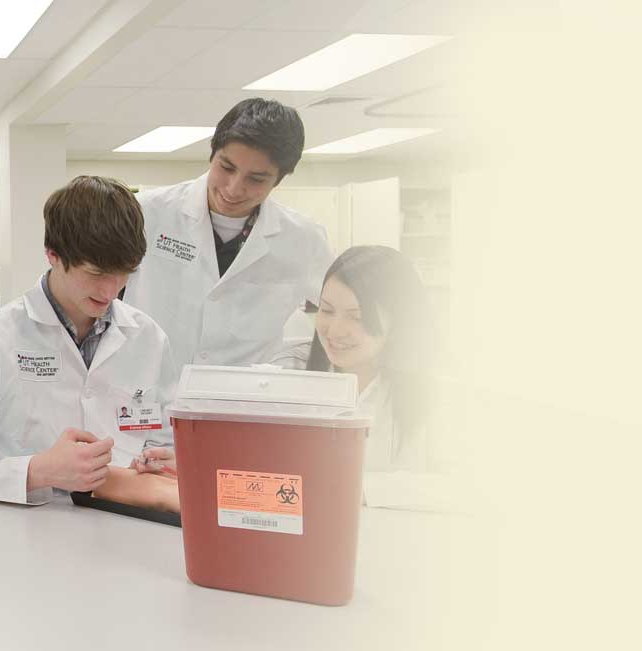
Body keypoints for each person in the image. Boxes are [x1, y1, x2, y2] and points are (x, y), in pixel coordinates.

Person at [0, 177, 182, 509]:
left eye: (123, 273)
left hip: (124, 534)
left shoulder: (149, 340)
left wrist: (164, 464)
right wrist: (36, 472)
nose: (110, 291)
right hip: (27, 539)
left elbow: (164, 444)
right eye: (95, 273)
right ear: (53, 255)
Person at [123, 97, 332, 368]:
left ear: (280, 179)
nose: (234, 189)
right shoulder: (146, 213)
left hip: (242, 400)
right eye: (226, 167)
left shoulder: (304, 239)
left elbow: (345, 312)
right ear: (212, 155)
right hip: (148, 392)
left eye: (256, 179)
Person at [273, 245, 436, 476]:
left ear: (400, 321)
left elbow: (453, 489)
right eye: (327, 311)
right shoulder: (290, 371)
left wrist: (355, 492)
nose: (335, 331)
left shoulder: (432, 395)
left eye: (357, 317)